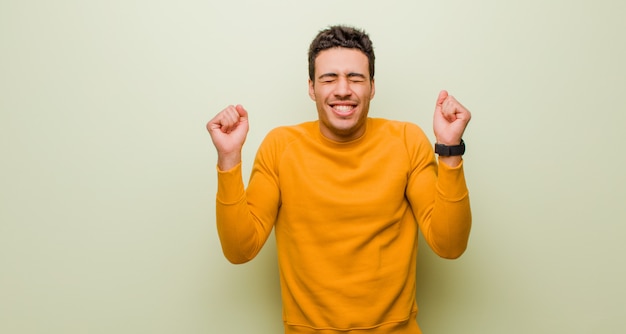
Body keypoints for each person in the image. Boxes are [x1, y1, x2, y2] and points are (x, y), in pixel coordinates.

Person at [206, 25, 472, 334]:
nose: (343, 89)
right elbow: (240, 249)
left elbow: (450, 245)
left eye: (356, 78)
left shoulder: (407, 140)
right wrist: (229, 158)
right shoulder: (280, 147)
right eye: (329, 78)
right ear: (311, 87)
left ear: (372, 86)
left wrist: (450, 150)